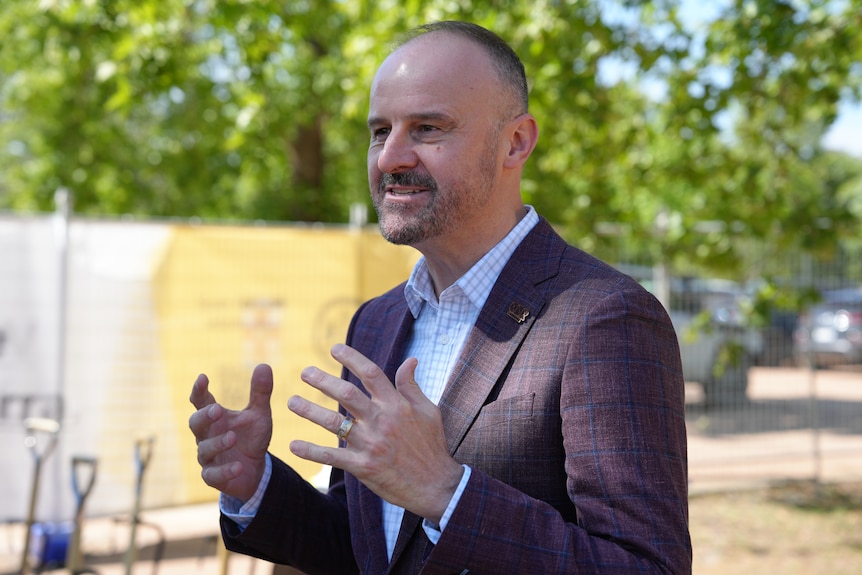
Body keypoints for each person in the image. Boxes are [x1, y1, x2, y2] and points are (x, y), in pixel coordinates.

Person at [189, 20, 691, 575]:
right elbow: (372, 551)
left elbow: (646, 567)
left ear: (516, 142)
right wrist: (256, 486)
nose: (390, 158)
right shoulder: (375, 323)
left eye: (427, 128)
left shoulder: (603, 317)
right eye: (380, 131)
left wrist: (447, 492)